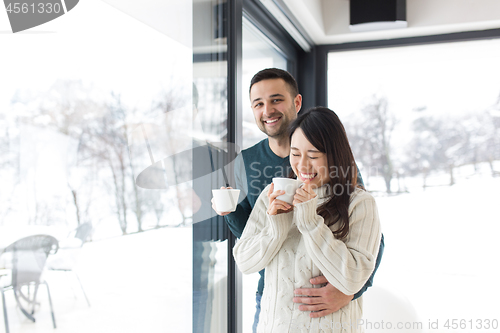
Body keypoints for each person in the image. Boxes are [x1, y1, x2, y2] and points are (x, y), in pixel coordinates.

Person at [212, 68, 384, 331]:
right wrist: (234, 213)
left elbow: (370, 244)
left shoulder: (353, 194)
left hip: (327, 310)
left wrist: (350, 291)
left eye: (276, 99)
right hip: (272, 297)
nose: (267, 110)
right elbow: (247, 244)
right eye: (259, 103)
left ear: (296, 102)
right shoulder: (250, 165)